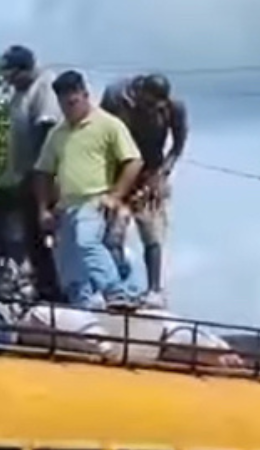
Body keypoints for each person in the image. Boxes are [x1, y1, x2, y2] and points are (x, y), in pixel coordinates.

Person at [33, 70, 144, 310]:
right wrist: (43, 209)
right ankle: (82, 303)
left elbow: (133, 161)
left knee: (86, 242)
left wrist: (115, 196)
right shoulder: (58, 134)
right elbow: (43, 172)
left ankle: (115, 290)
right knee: (68, 260)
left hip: (95, 200)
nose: (69, 108)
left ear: (85, 95)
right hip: (65, 205)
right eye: (64, 104)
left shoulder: (108, 125)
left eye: (73, 102)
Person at [100, 74, 188, 308]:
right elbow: (100, 134)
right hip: (119, 172)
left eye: (157, 107)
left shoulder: (174, 107)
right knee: (112, 234)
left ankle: (154, 290)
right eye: (149, 104)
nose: (152, 110)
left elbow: (177, 147)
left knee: (152, 230)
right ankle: (118, 288)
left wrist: (161, 175)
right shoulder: (116, 96)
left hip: (151, 172)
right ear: (139, 94)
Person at [0, 45, 63, 302]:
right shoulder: (19, 94)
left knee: (47, 234)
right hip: (24, 176)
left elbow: (45, 130)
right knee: (30, 236)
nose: (9, 80)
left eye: (12, 74)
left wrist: (39, 174)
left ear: (25, 69)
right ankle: (42, 289)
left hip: (44, 176)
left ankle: (57, 291)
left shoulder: (44, 85)